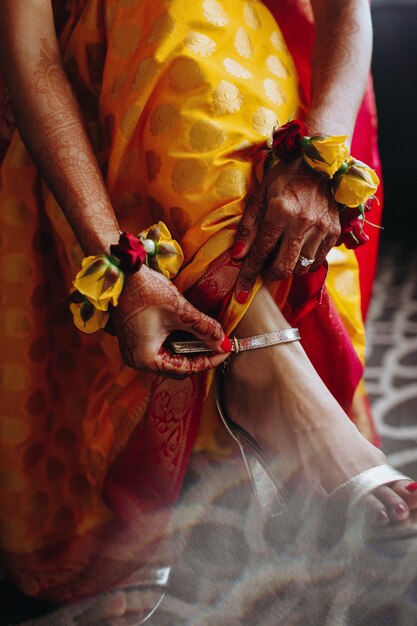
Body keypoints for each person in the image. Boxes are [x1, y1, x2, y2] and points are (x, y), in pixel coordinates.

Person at [1, 0, 416, 609]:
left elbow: (343, 10)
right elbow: (32, 57)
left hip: (256, 83)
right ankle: (271, 376)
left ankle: (258, 374)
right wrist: (116, 264)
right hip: (94, 95)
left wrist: (319, 157)